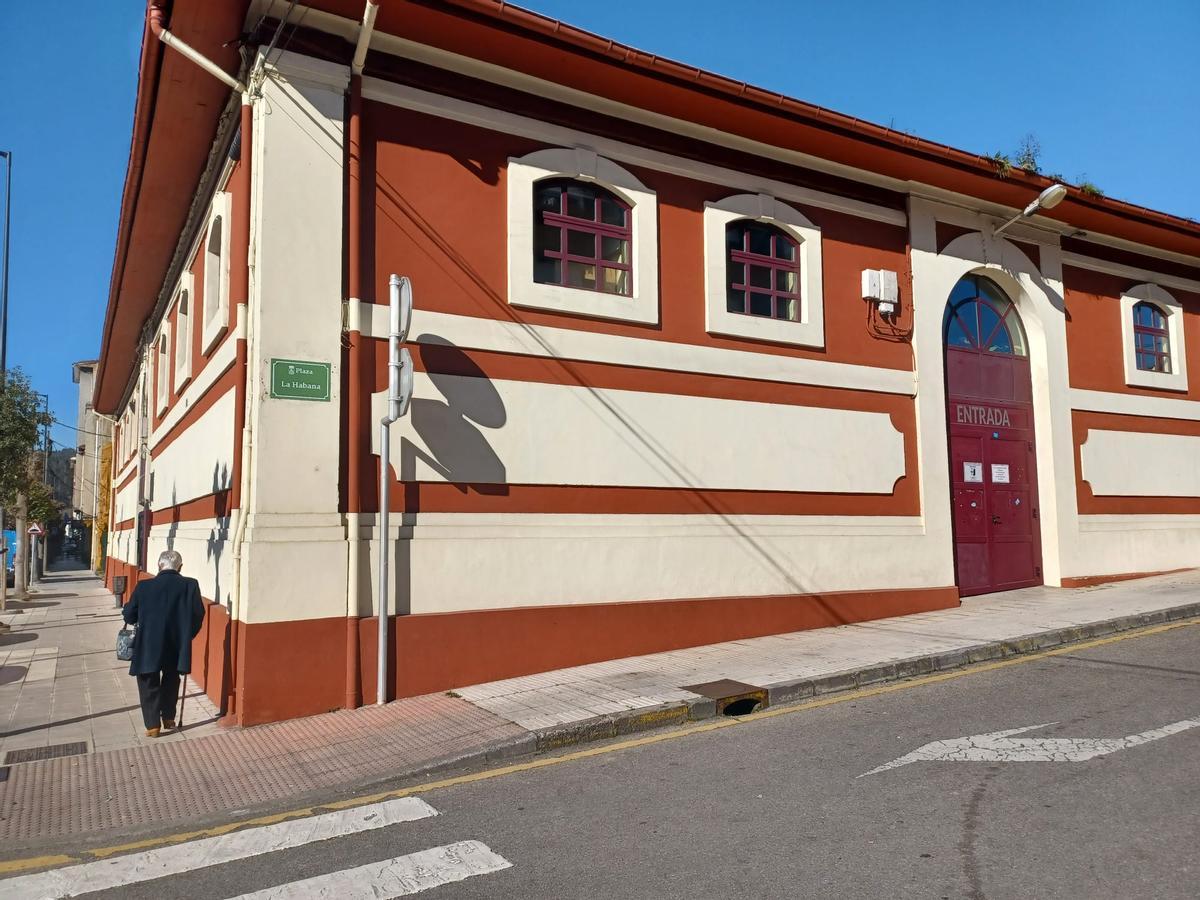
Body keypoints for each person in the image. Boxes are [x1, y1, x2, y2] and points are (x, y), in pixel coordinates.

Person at [123, 549, 205, 738]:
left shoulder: (144, 587)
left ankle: (153, 725)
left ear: (159, 566)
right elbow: (198, 615)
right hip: (176, 642)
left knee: (148, 679)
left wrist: (131, 610)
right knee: (171, 678)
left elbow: (129, 615)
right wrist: (187, 635)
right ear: (180, 567)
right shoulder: (190, 585)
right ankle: (168, 717)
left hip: (148, 643)